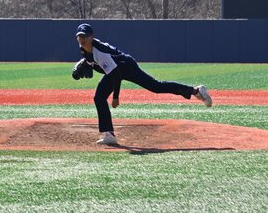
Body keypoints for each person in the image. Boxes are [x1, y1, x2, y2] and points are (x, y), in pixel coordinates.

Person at [72, 22, 212, 146]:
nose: (82, 39)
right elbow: (96, 63)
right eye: (80, 37)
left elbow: (116, 75)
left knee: (156, 86)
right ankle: (109, 134)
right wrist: (87, 63)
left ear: (91, 37)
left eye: (85, 36)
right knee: (99, 97)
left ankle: (196, 91)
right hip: (115, 70)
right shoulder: (83, 48)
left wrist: (116, 97)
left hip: (127, 67)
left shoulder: (100, 51)